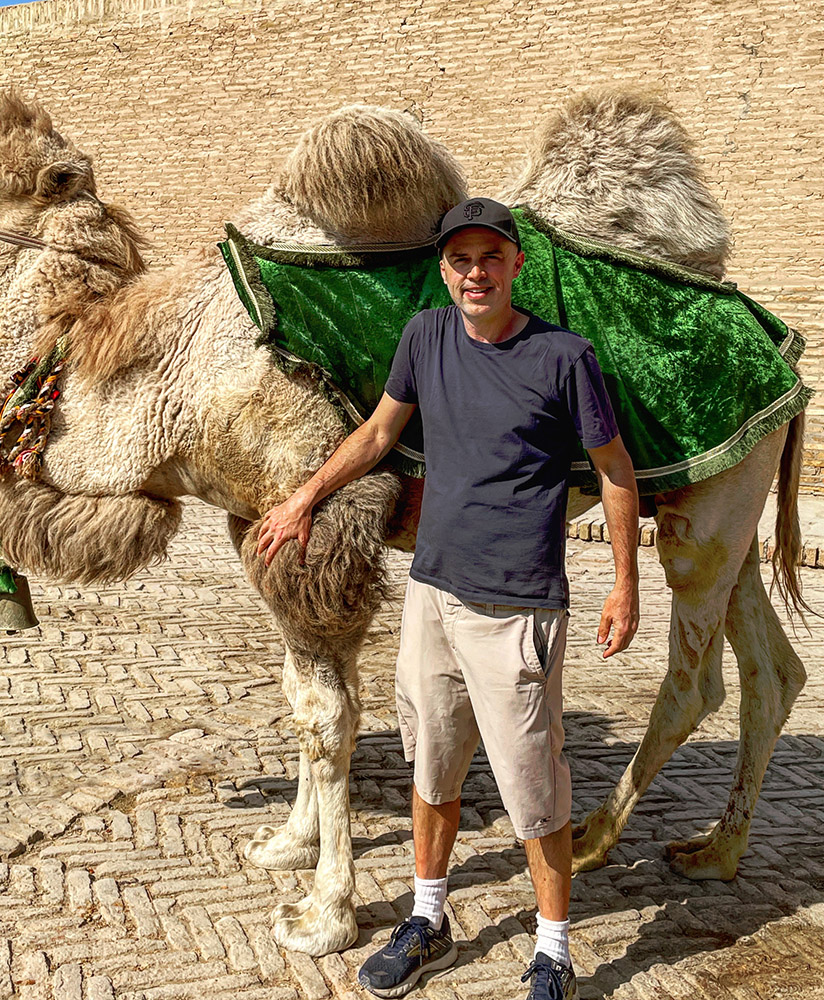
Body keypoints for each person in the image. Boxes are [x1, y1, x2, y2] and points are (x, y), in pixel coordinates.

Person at [256, 197, 640, 1000]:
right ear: (444, 270)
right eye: (461, 259)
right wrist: (302, 497)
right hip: (433, 597)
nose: (475, 273)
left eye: (490, 258)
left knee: (535, 792)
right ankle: (428, 917)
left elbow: (613, 471)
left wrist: (626, 584)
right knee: (432, 771)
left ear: (515, 266)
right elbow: (376, 437)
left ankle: (553, 951)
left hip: (519, 608)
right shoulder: (425, 337)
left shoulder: (563, 357)